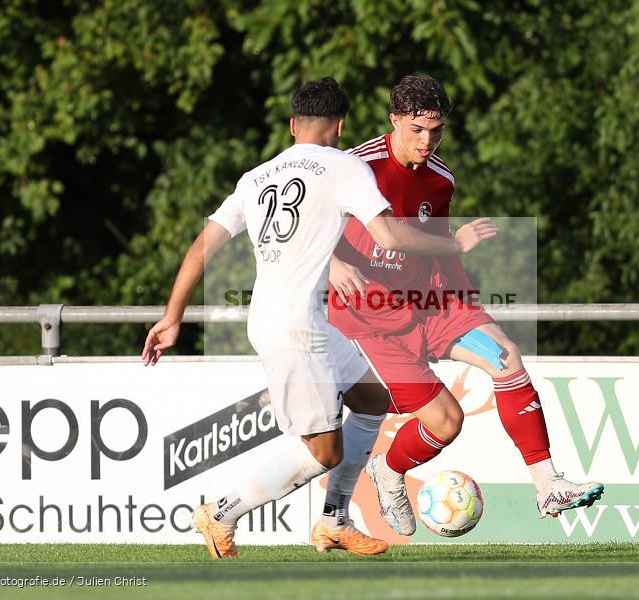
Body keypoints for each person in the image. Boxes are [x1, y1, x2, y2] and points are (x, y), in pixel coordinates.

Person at [140, 77, 497, 558]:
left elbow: (202, 246)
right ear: (341, 125)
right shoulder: (346, 167)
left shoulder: (255, 176)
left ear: (293, 125)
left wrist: (172, 316)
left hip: (296, 318)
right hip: (295, 330)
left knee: (371, 399)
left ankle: (334, 520)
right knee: (323, 451)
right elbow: (390, 237)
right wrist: (455, 243)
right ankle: (221, 511)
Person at [326, 73, 604, 536]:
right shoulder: (356, 167)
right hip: (370, 320)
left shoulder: (440, 179)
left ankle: (547, 484)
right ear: (394, 119)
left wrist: (469, 306)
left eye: (436, 130)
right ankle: (389, 471)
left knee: (506, 356)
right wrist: (333, 264)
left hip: (429, 303)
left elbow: (436, 244)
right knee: (446, 422)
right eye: (416, 129)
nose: (426, 140)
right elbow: (302, 226)